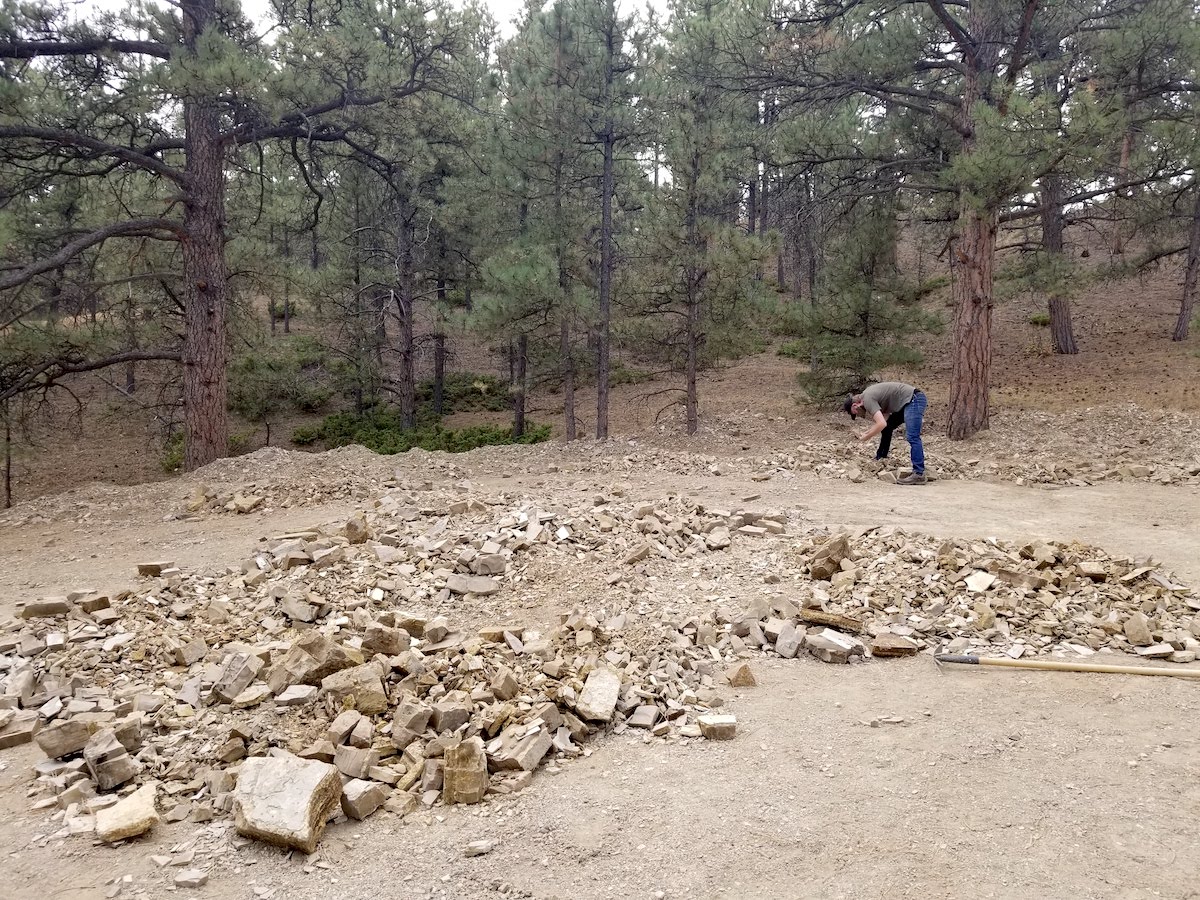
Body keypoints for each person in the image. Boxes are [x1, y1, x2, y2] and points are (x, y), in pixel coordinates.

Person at [842, 382, 928, 485]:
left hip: (914, 400)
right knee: (887, 428)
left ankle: (918, 474)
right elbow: (885, 419)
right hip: (908, 402)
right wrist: (868, 431)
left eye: (855, 412)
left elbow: (881, 423)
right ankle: (881, 457)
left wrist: (867, 437)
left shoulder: (867, 399)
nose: (858, 414)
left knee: (912, 436)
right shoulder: (869, 396)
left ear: (855, 405)